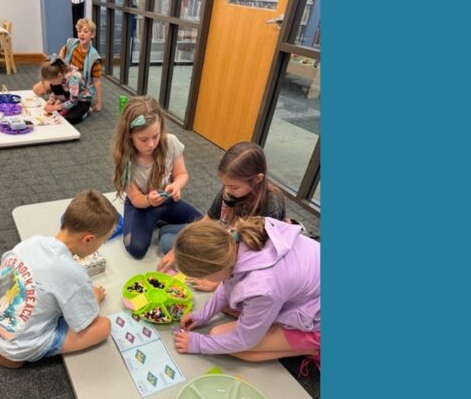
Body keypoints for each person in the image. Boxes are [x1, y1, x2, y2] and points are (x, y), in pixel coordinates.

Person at [0, 190, 119, 369]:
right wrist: (95, 297)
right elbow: (85, 321)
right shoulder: (74, 274)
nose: (101, 246)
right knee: (104, 326)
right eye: (102, 241)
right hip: (16, 345)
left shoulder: (31, 242)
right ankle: (21, 350)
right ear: (88, 239)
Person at [171, 217, 320, 375]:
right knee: (234, 306)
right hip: (310, 290)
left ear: (214, 269)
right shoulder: (235, 240)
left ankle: (313, 347)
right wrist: (202, 315)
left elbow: (245, 340)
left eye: (205, 276)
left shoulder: (261, 286)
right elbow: (228, 281)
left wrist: (198, 344)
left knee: (225, 340)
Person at [157, 141, 288, 291]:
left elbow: (258, 256)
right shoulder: (231, 188)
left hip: (241, 252)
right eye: (225, 184)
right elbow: (209, 219)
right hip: (224, 235)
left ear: (258, 179)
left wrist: (217, 281)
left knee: (167, 241)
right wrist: (176, 251)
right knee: (166, 235)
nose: (227, 190)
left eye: (233, 187)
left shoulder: (271, 204)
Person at [111, 95, 202, 259]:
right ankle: (157, 222)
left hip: (167, 201)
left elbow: (182, 174)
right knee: (136, 249)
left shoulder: (170, 142)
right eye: (144, 139)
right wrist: (149, 201)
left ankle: (164, 227)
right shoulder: (125, 159)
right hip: (140, 204)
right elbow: (136, 198)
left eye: (155, 136)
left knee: (203, 224)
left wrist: (176, 186)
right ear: (129, 136)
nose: (151, 144)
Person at [34, 18, 103, 113]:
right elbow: (62, 50)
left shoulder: (94, 58)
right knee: (36, 90)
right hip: (64, 76)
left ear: (92, 35)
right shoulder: (72, 43)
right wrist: (59, 63)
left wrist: (99, 102)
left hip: (79, 83)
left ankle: (66, 99)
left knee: (71, 108)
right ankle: (60, 97)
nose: (82, 34)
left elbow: (97, 82)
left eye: (85, 32)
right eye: (79, 31)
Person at [37, 56, 93, 124]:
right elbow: (55, 92)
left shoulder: (74, 78)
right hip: (69, 94)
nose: (52, 84)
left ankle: (86, 112)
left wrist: (55, 107)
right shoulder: (59, 77)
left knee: (69, 119)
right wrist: (50, 101)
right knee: (58, 113)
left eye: (53, 82)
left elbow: (73, 101)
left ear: (59, 75)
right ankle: (65, 105)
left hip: (82, 100)